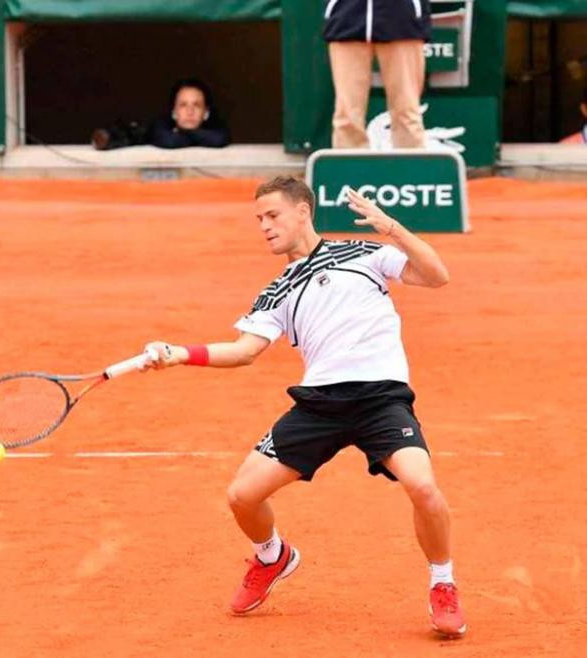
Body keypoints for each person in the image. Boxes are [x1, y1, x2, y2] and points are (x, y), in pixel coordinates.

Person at [138, 176, 466, 637]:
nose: (264, 227)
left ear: (303, 212)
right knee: (242, 496)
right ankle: (274, 556)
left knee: (424, 488)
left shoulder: (362, 254)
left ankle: (443, 583)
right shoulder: (277, 290)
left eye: (272, 216)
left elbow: (437, 275)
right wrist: (178, 353)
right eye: (259, 220)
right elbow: (244, 350)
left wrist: (391, 227)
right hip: (319, 404)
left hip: (381, 399)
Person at [325, 0, 430, 149]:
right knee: (347, 115)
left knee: (406, 112)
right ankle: (350, 170)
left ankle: (410, 169)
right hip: (345, 17)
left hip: (402, 20)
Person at [147, 78, 230, 149]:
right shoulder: (160, 126)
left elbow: (219, 139)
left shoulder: (218, 128)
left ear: (206, 113)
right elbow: (169, 141)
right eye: (183, 105)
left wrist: (186, 133)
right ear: (174, 112)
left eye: (197, 105)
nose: (190, 112)